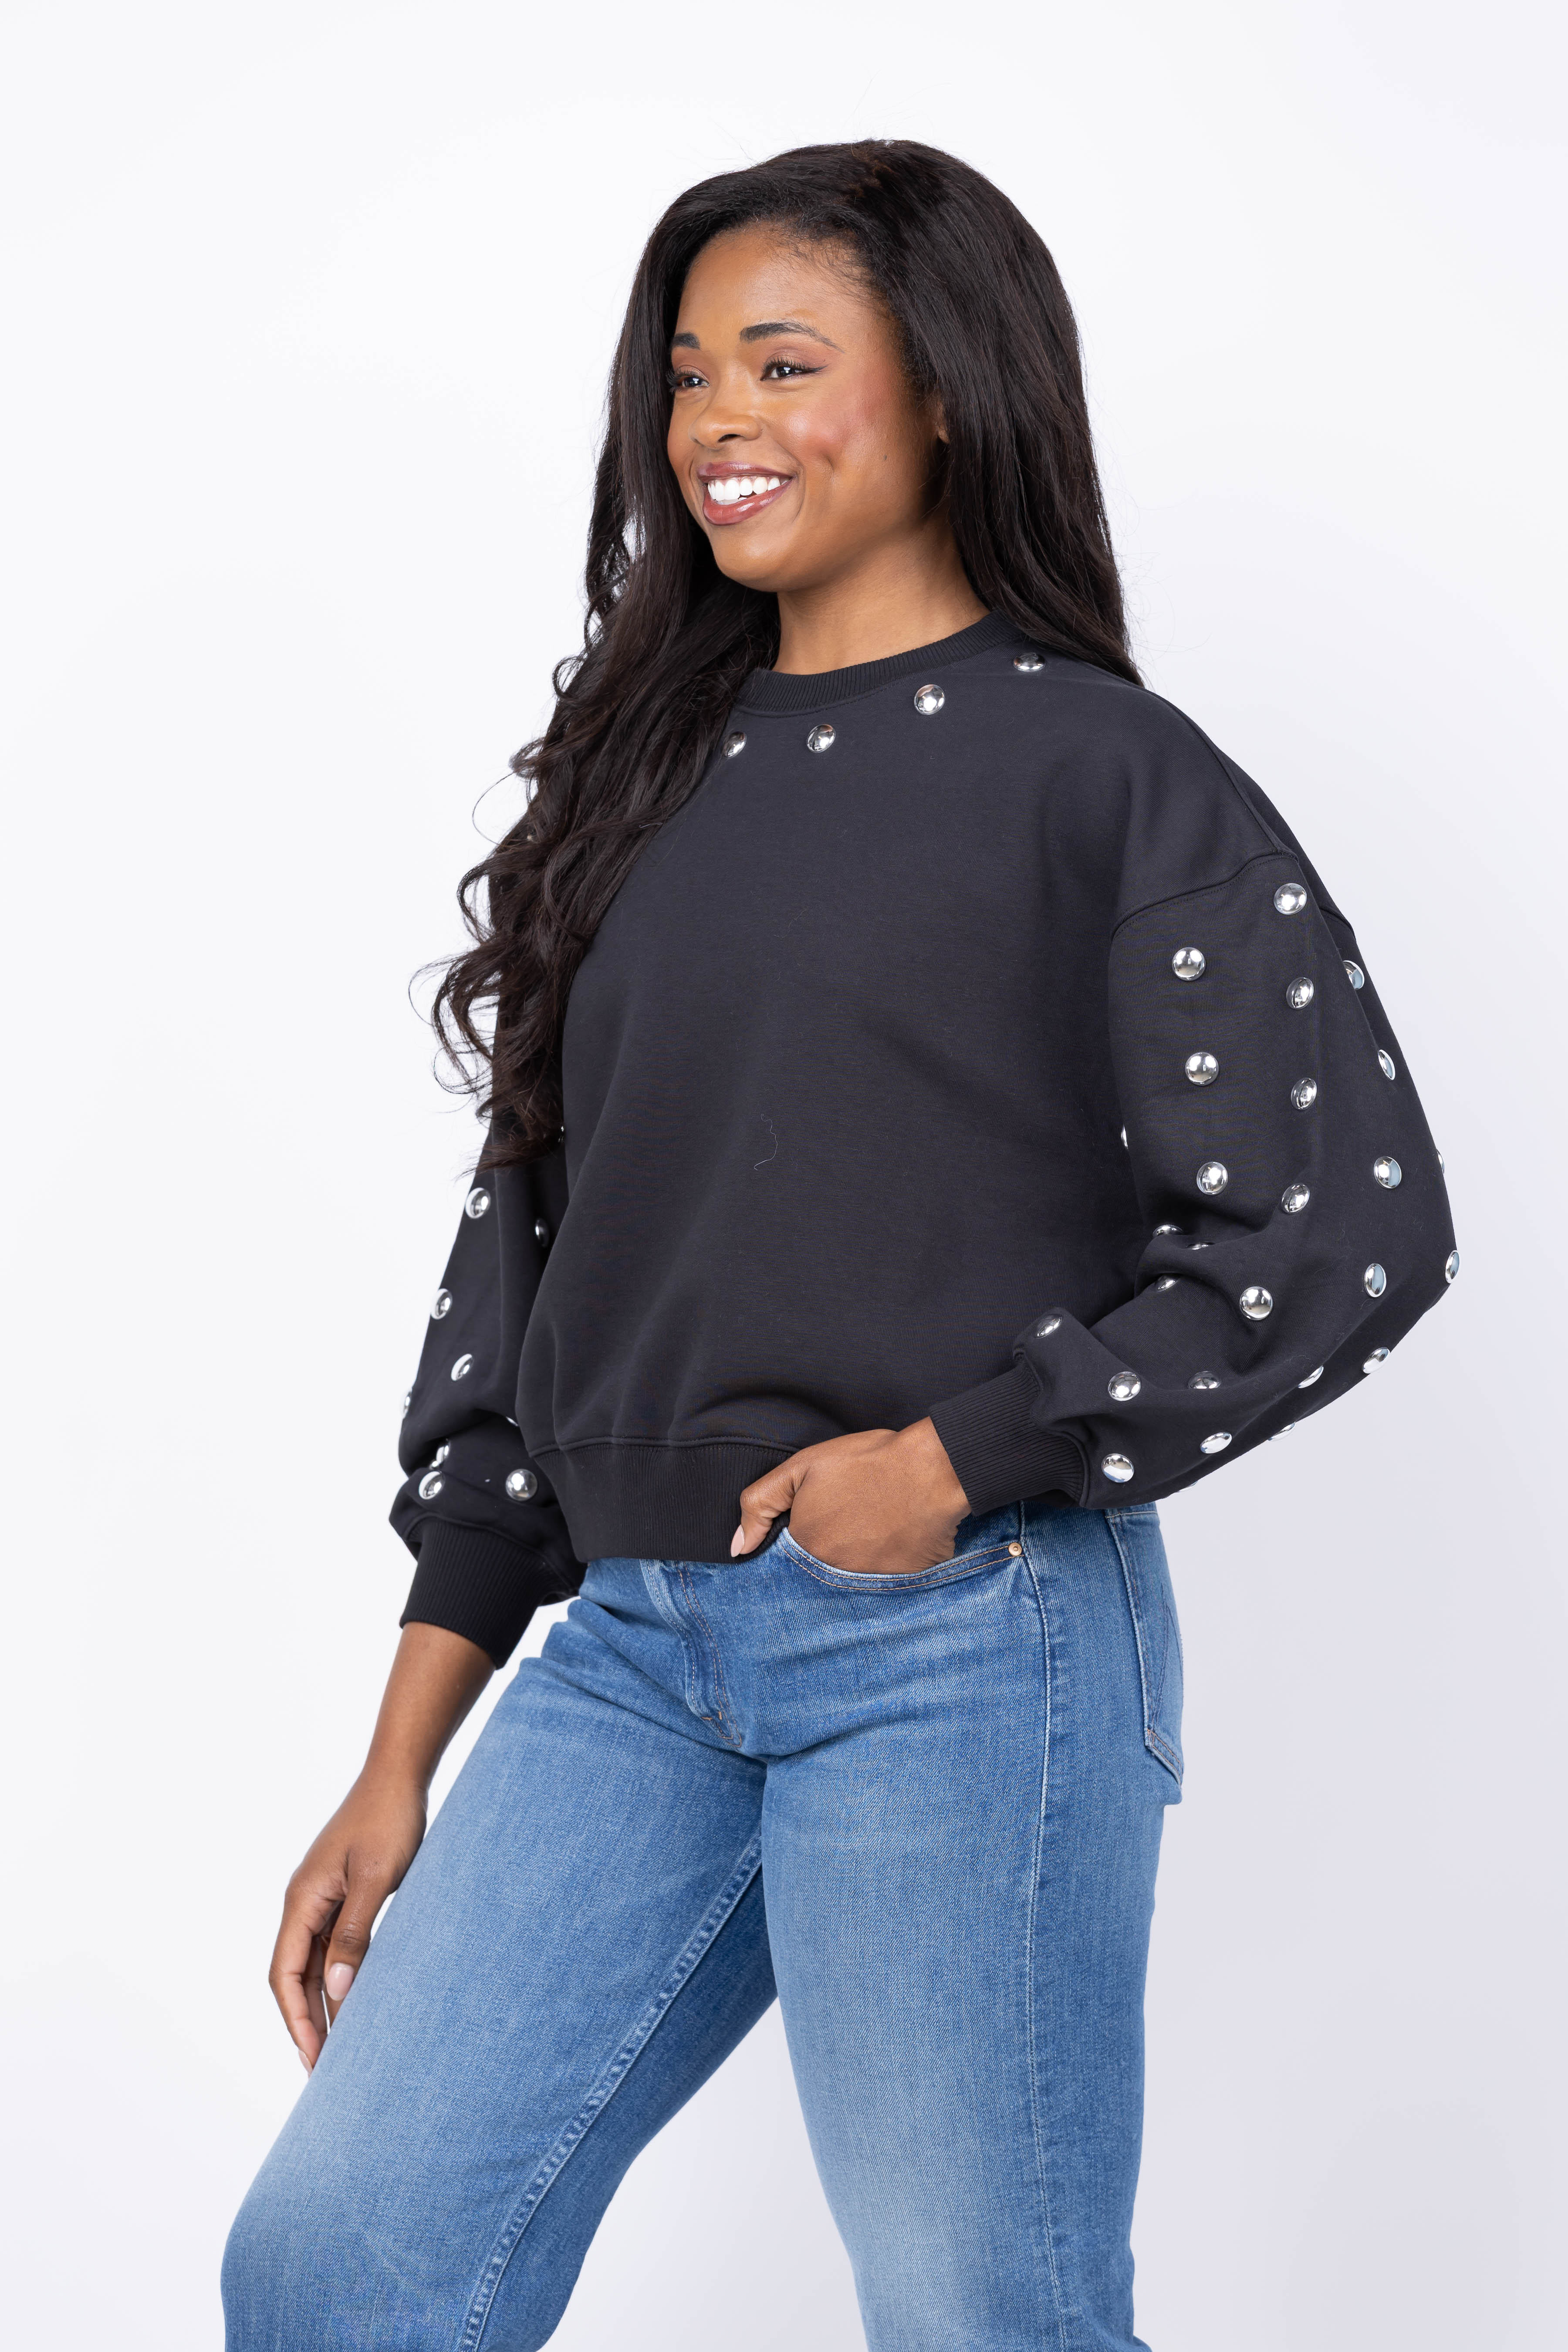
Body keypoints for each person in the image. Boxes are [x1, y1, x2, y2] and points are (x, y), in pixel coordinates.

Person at [221, 140, 1456, 2351]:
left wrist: (963, 1460)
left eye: (784, 363)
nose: (719, 420)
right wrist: (401, 1754)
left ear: (951, 389)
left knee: (987, 2319)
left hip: (966, 1644)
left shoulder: (1107, 778)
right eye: (690, 372)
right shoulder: (637, 783)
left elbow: (1343, 1224)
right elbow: (530, 1285)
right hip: (628, 1658)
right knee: (341, 2268)